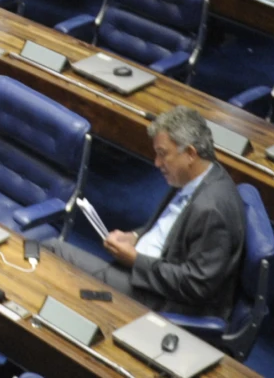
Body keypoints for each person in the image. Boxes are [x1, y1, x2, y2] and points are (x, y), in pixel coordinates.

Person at [51, 106, 246, 318]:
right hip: (150, 270)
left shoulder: (211, 209)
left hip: (163, 299)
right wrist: (135, 237)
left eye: (163, 154)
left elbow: (197, 286)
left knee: (51, 251)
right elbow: (172, 226)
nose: (156, 163)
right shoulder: (195, 176)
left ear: (190, 153)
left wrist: (135, 260)